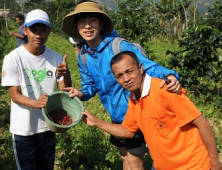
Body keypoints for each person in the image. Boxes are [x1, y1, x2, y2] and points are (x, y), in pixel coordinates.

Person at [62, 1, 180, 169]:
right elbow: (89, 85)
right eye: (82, 21)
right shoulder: (84, 56)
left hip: (136, 111)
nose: (87, 26)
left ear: (101, 24)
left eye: (92, 20)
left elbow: (147, 66)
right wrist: (81, 93)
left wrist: (169, 75)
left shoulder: (118, 46)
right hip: (116, 116)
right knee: (125, 157)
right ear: (77, 27)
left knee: (134, 161)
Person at [81, 51, 222, 170]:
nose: (126, 79)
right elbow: (128, 131)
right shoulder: (134, 98)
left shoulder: (165, 90)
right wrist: (96, 122)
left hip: (193, 165)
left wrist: (215, 162)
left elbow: (203, 123)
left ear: (140, 68)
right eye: (120, 76)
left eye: (129, 71)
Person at [1, 9, 71, 170]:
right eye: (34, 30)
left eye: (43, 30)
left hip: (47, 126)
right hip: (23, 128)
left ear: (49, 32)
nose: (38, 35)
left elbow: (64, 91)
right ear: (25, 30)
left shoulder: (56, 58)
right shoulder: (13, 58)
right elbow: (15, 95)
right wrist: (36, 103)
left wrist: (66, 74)